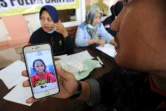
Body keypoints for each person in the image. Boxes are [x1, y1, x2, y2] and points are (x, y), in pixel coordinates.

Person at [22, 0, 166, 111]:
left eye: (128, 3)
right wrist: (77, 89)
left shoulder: (98, 27)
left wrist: (66, 34)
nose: (115, 24)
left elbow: (103, 36)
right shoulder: (128, 72)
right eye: (42, 19)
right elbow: (107, 85)